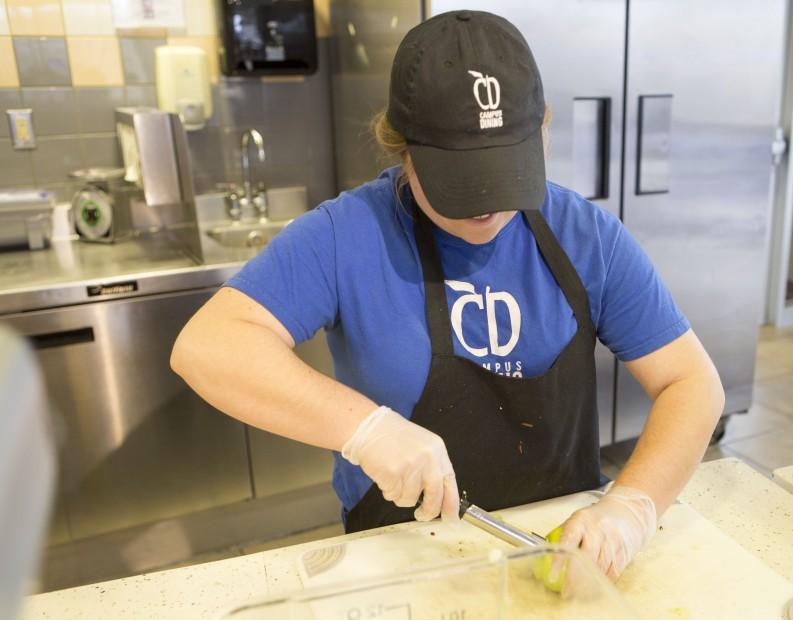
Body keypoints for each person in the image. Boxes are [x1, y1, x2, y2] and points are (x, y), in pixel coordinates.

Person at [171, 10, 724, 581]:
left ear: (541, 133)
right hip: (400, 563)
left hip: (557, 556)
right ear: (401, 148)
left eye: (504, 172)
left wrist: (633, 506)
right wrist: (365, 429)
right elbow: (207, 346)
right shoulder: (348, 234)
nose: (485, 205)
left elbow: (691, 383)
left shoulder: (587, 237)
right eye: (460, 179)